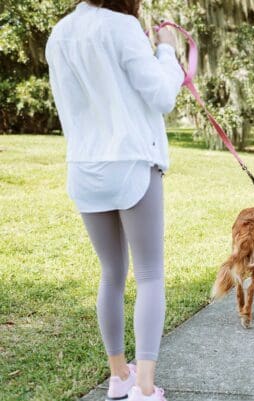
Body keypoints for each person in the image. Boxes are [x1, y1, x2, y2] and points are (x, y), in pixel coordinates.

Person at [45, 0, 184, 400]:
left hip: (84, 168)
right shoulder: (122, 27)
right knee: (150, 275)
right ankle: (144, 386)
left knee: (111, 273)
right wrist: (167, 49)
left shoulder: (59, 33)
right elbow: (161, 95)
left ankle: (119, 376)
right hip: (131, 164)